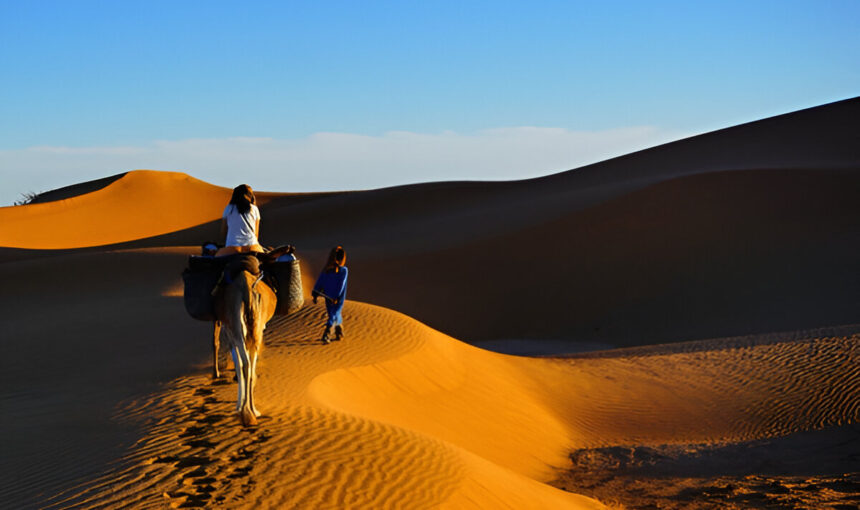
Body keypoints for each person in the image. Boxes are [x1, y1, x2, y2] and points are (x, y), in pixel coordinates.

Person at [312, 246, 348, 344]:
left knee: (333, 314)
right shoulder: (335, 270)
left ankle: (333, 333)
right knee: (333, 315)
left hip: (333, 298)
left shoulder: (335, 270)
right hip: (333, 298)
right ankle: (333, 333)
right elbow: (322, 281)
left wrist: (316, 292)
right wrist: (315, 292)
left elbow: (321, 281)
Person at [216, 184, 265, 256]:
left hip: (232, 248)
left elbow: (224, 232)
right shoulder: (254, 209)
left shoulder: (229, 208)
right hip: (252, 247)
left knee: (214, 259)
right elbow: (256, 234)